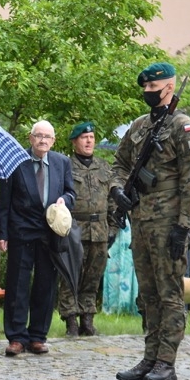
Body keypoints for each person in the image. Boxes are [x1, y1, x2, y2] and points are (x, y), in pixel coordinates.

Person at [111, 62, 190, 380]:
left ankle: (166, 361)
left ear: (168, 87)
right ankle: (149, 357)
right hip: (141, 219)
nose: (147, 94)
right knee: (147, 295)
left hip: (169, 222)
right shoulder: (138, 126)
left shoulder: (183, 127)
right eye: (145, 90)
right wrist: (117, 190)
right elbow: (120, 164)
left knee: (169, 293)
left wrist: (184, 226)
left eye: (153, 89)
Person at [0, 120, 75, 357]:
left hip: (50, 234)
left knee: (45, 285)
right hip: (21, 232)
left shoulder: (63, 162)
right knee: (17, 285)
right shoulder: (15, 162)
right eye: (38, 136)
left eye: (47, 136)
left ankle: (38, 336)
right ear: (30, 138)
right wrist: (2, 234)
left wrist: (65, 201)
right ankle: (17, 337)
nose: (42, 140)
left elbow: (71, 192)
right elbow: (4, 201)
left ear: (54, 140)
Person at [59, 122, 115, 337]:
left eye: (91, 137)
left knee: (93, 276)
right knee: (71, 275)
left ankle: (88, 319)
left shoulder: (104, 167)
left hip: (100, 229)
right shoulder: (66, 166)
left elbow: (112, 199)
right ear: (74, 142)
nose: (89, 141)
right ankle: (71, 320)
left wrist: (113, 228)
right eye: (84, 137)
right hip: (74, 228)